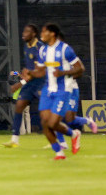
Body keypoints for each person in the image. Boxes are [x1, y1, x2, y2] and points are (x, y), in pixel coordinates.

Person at [29, 23, 84, 160]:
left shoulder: (66, 49)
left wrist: (64, 72)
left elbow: (80, 68)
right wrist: (29, 73)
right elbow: (41, 71)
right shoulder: (42, 51)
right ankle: (59, 152)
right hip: (48, 90)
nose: (41, 34)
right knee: (44, 123)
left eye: (43, 31)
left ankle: (74, 134)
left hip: (63, 89)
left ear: (52, 33)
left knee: (53, 123)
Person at [3, 23, 45, 148]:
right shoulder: (26, 46)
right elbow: (28, 69)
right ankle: (15, 140)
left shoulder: (40, 47)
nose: (23, 34)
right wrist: (21, 75)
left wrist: (19, 83)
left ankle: (58, 139)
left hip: (41, 83)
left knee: (46, 112)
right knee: (19, 107)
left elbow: (39, 70)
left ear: (33, 34)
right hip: (30, 82)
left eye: (26, 32)